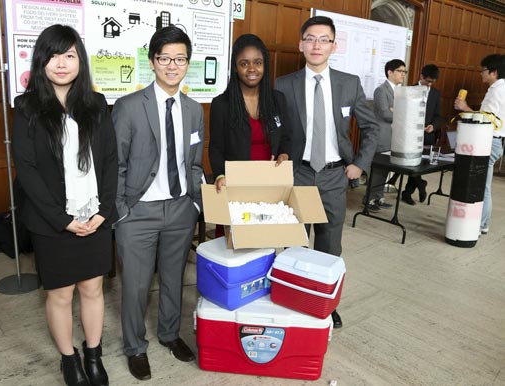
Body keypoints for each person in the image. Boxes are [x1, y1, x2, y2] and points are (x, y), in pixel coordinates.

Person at [12, 25, 117, 386]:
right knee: (60, 293)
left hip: (95, 216)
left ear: (80, 61)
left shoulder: (97, 104)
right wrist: (63, 220)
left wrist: (105, 211)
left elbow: (109, 160)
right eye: (54, 55)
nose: (62, 63)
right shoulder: (26, 107)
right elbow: (25, 169)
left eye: (70, 55)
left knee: (92, 288)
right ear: (42, 60)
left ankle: (93, 354)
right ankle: (68, 359)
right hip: (52, 222)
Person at [112, 26, 204, 381]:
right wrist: (122, 211)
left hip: (180, 209)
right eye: (164, 58)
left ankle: (169, 333)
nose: (172, 65)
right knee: (135, 286)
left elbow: (194, 163)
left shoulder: (195, 110)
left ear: (187, 65)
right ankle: (135, 347)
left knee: (173, 279)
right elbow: (116, 165)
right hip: (138, 213)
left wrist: (196, 204)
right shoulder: (129, 106)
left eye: (179, 59)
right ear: (152, 62)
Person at [275, 16, 379, 329]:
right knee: (294, 243)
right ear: (300, 44)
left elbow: (371, 127)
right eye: (310, 38)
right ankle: (294, 298)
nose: (316, 45)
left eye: (324, 39)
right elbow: (274, 130)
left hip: (335, 175)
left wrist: (359, 164)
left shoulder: (349, 83)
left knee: (330, 245)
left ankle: (325, 304)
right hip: (299, 174)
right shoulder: (283, 85)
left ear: (334, 45)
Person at [209, 33, 291, 236]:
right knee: (235, 242)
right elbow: (216, 147)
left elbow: (287, 137)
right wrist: (220, 175)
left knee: (264, 237)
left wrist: (284, 154)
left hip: (268, 186)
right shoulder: (222, 104)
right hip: (236, 186)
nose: (252, 69)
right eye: (244, 63)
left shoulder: (277, 100)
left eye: (258, 62)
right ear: (235, 68)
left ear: (265, 65)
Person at [454, 53, 505, 235]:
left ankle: (482, 223)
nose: (481, 74)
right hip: (496, 141)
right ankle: (481, 221)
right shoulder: (501, 88)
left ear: (494, 72)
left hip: (490, 141)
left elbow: (486, 120)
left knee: (483, 185)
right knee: (483, 183)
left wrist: (465, 108)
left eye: (483, 71)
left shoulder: (497, 91)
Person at [364, 59, 406, 212]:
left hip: (393, 136)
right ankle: (368, 200)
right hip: (382, 136)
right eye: (400, 71)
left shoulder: (400, 91)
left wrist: (395, 111)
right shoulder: (381, 90)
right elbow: (384, 113)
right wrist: (400, 112)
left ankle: (379, 198)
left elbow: (394, 112)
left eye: (404, 72)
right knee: (377, 170)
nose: (403, 74)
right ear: (390, 72)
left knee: (385, 170)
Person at [402, 64, 443, 205]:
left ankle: (407, 193)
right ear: (421, 77)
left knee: (419, 165)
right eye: (427, 81)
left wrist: (433, 126)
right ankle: (420, 184)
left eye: (432, 82)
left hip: (427, 135)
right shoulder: (409, 90)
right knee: (410, 164)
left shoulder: (436, 94)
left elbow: (438, 115)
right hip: (410, 134)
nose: (429, 84)